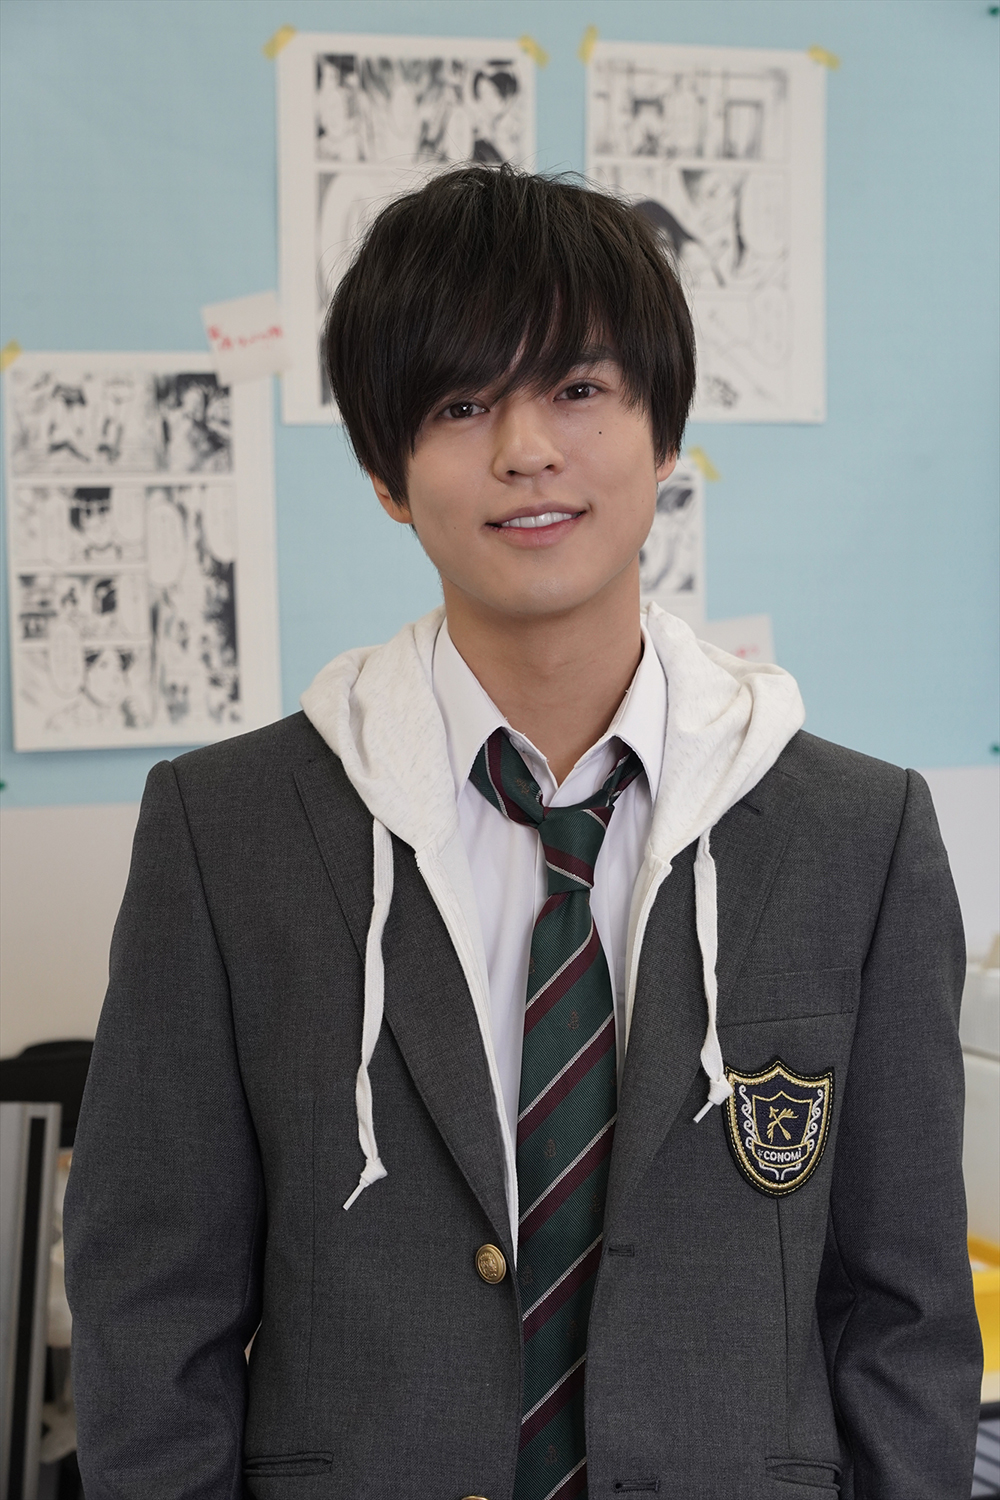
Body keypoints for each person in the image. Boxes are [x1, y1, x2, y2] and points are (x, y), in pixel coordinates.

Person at [63, 165, 981, 1500]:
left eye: (580, 388)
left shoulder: (859, 834)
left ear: (666, 434)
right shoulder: (227, 830)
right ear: (386, 474)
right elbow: (151, 1310)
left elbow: (903, 1313)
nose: (526, 449)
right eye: (460, 404)